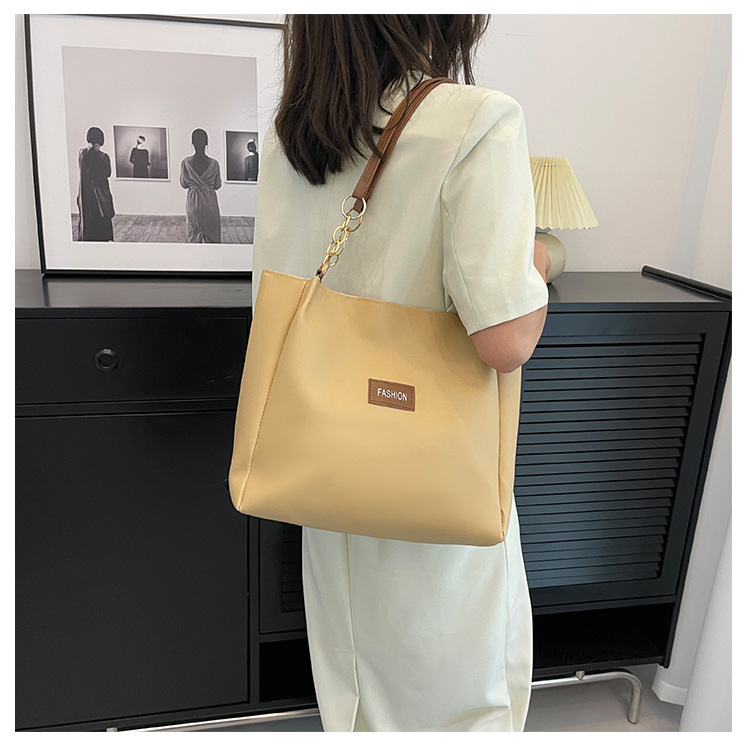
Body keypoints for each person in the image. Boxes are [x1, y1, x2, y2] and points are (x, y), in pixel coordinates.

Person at [252, 15, 550, 732]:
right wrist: (536, 263)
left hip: (329, 471)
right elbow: (505, 339)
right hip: (433, 475)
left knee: (355, 690)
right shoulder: (477, 120)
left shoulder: (292, 138)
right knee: (457, 700)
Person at [179, 128, 222, 243]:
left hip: (194, 204)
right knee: (213, 240)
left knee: (193, 237)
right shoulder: (214, 164)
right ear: (206, 143)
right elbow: (217, 185)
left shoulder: (185, 163)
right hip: (210, 205)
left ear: (192, 143)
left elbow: (184, 184)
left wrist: (194, 183)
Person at [76, 126, 115, 242]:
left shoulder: (82, 154)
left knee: (88, 219)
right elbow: (107, 173)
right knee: (102, 219)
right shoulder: (104, 157)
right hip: (100, 194)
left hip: (86, 194)